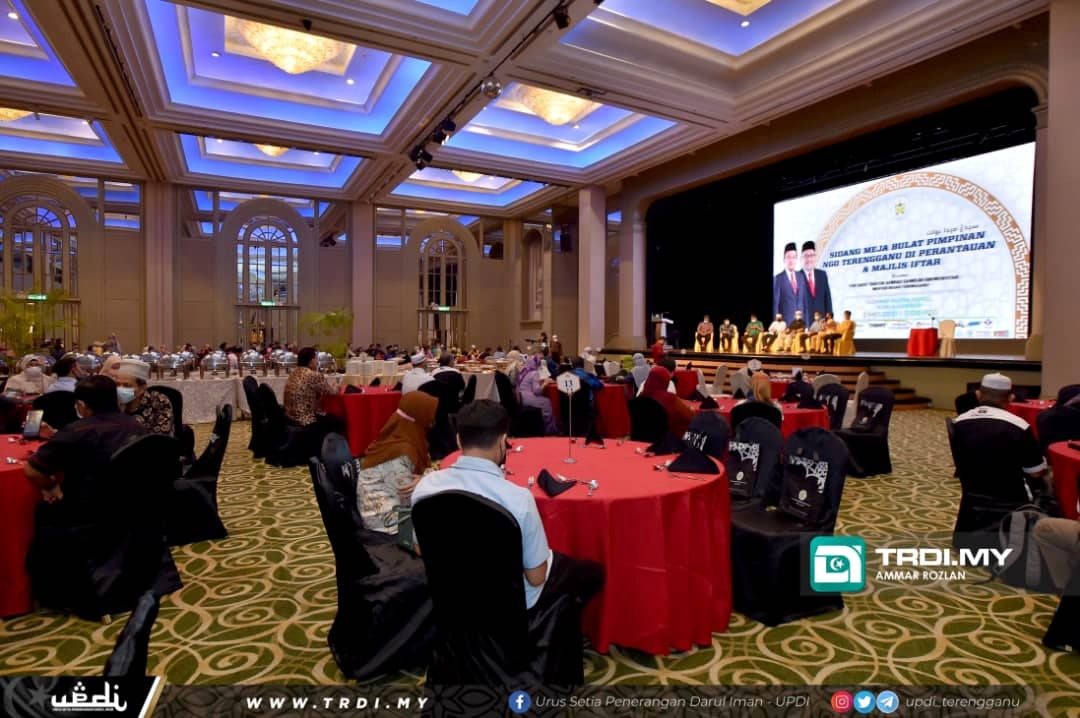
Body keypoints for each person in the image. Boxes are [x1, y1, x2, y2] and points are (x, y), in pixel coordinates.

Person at [411, 400, 604, 614]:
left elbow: (421, 549)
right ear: (504, 442)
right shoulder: (517, 499)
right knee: (591, 571)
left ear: (458, 440)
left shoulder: (426, 487)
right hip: (508, 606)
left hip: (450, 595)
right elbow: (536, 577)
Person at [952, 373, 1049, 547]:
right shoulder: (1019, 425)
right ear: (1010, 397)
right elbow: (1036, 472)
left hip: (972, 489)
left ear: (979, 394)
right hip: (1011, 493)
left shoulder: (958, 422)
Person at [24, 375, 146, 511]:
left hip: (86, 507)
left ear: (81, 404)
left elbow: (32, 470)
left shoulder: (77, 431)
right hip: (133, 504)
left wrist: (51, 486)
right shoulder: (137, 426)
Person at [357, 391, 438, 534]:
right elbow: (409, 497)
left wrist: (427, 477)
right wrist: (431, 480)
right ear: (418, 419)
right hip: (389, 523)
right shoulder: (402, 451)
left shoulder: (396, 437)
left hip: (382, 511)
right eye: (429, 419)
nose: (432, 423)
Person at [284, 346, 338, 435]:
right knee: (338, 422)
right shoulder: (313, 375)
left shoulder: (293, 373)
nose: (317, 362)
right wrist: (336, 385)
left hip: (289, 418)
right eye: (316, 358)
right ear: (311, 360)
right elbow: (333, 392)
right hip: (306, 420)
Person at [115, 359, 174, 436]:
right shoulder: (112, 401)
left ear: (142, 388)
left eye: (126, 385)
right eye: (117, 384)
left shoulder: (159, 401)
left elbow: (161, 437)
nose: (120, 389)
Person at [640, 366, 694, 438]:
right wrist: (692, 410)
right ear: (666, 381)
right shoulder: (671, 399)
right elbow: (689, 416)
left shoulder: (640, 398)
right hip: (669, 440)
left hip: (641, 440)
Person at [518, 355, 557, 435]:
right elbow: (537, 392)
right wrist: (546, 383)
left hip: (520, 397)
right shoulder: (535, 373)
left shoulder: (524, 371)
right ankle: (548, 429)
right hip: (527, 398)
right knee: (547, 402)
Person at [773, 241, 807, 324]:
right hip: (785, 324)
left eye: (794, 257)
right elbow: (775, 304)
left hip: (800, 324)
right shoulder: (778, 279)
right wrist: (777, 323)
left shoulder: (801, 277)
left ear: (797, 259)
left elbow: (804, 302)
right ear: (784, 259)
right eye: (788, 257)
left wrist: (806, 324)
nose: (791, 260)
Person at [800, 240, 832, 318]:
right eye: (806, 256)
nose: (809, 259)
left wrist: (829, 320)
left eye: (811, 255)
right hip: (803, 322)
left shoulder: (822, 275)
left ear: (815, 257)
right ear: (801, 258)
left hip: (821, 322)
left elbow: (827, 300)